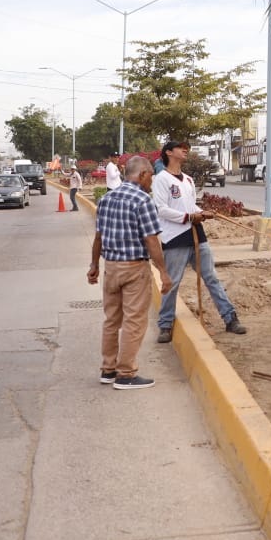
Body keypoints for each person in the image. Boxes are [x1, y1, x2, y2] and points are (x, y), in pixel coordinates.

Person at [87, 156, 171, 389]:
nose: (151, 182)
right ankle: (126, 374)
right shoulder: (143, 200)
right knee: (135, 321)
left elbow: (98, 237)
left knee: (112, 320)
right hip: (134, 268)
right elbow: (151, 239)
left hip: (111, 268)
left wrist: (94, 266)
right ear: (143, 174)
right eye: (151, 177)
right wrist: (163, 271)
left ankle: (108, 369)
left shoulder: (106, 198)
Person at [152, 140, 246, 341]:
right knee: (173, 282)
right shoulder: (161, 179)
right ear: (169, 152)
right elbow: (160, 209)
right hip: (174, 237)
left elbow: (190, 205)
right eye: (180, 147)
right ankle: (165, 324)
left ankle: (230, 318)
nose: (185, 150)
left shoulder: (187, 180)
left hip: (196, 233)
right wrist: (187, 217)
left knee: (211, 277)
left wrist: (201, 213)